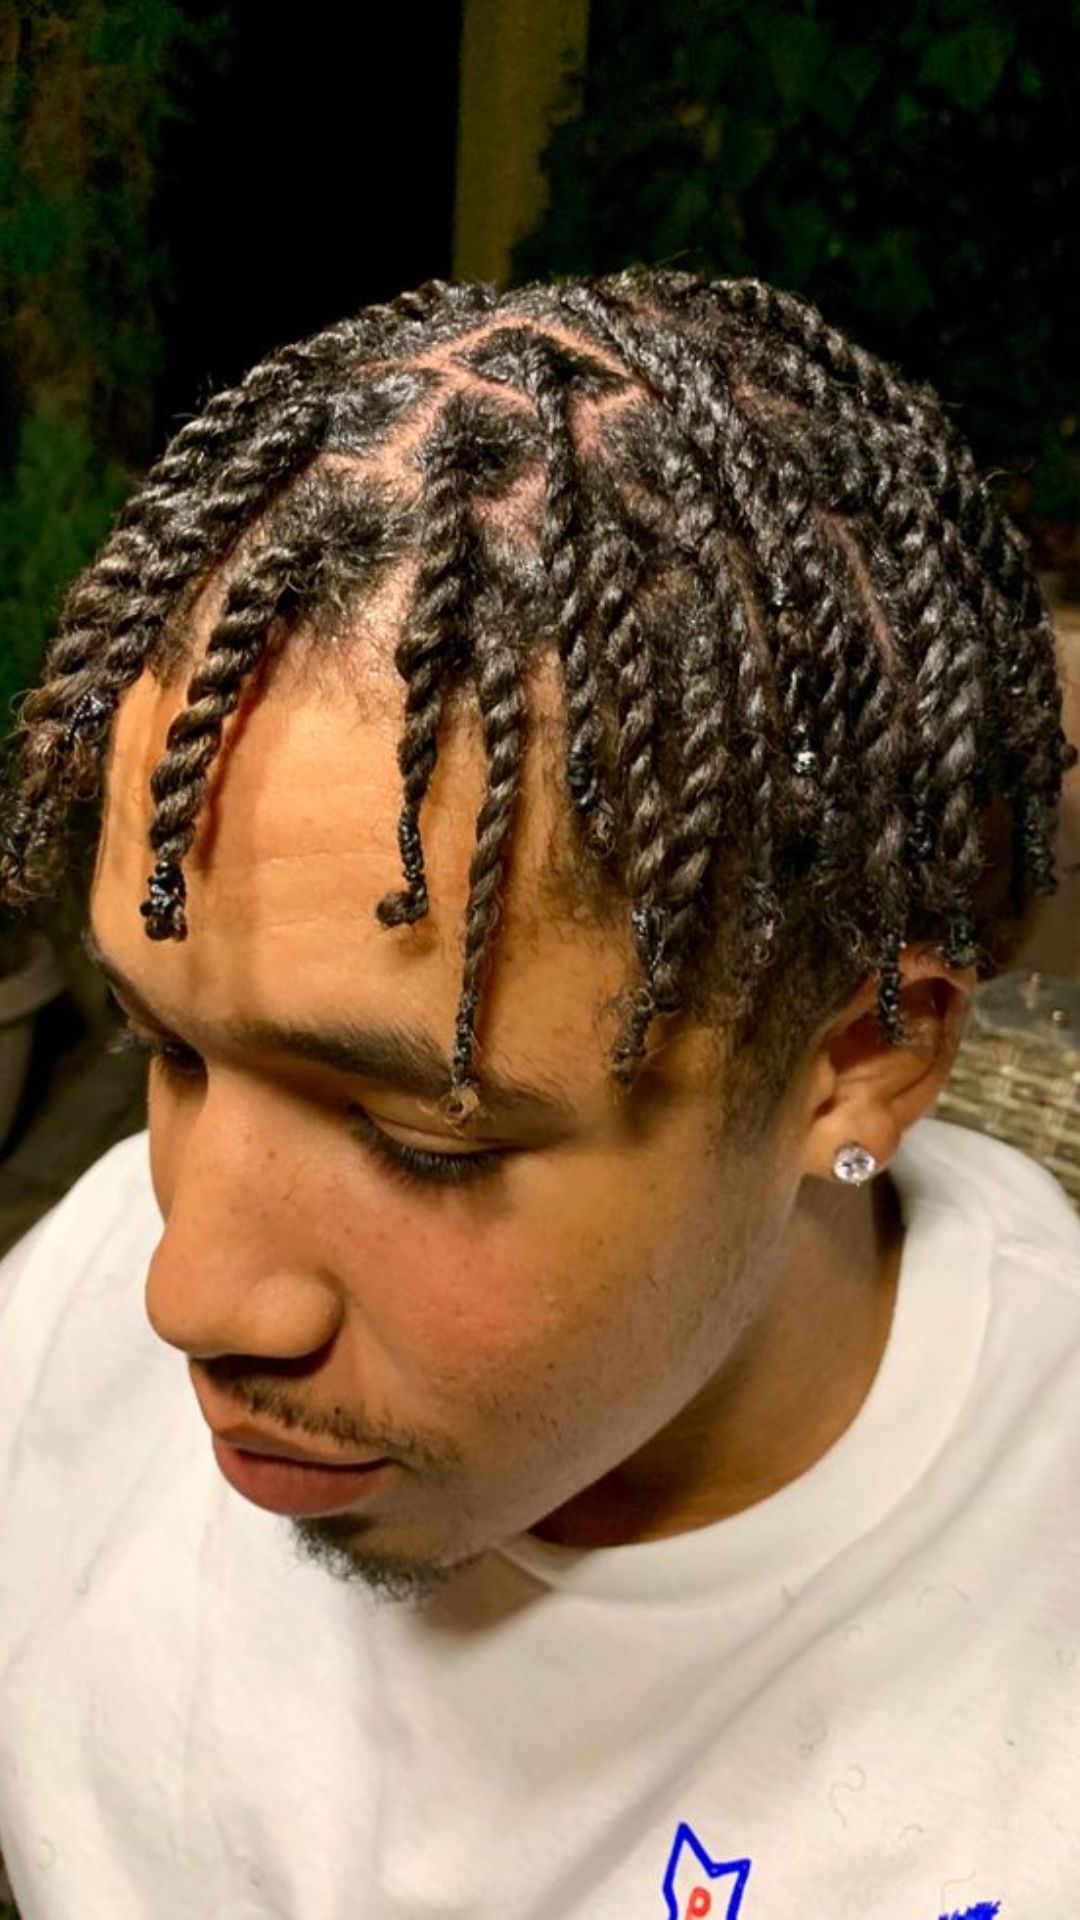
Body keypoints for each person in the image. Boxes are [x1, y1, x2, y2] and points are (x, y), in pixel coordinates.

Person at [0, 270, 1077, 1919]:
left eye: (419, 1137)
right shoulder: (65, 1305)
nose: (184, 1290)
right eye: (173, 1054)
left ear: (863, 1059)